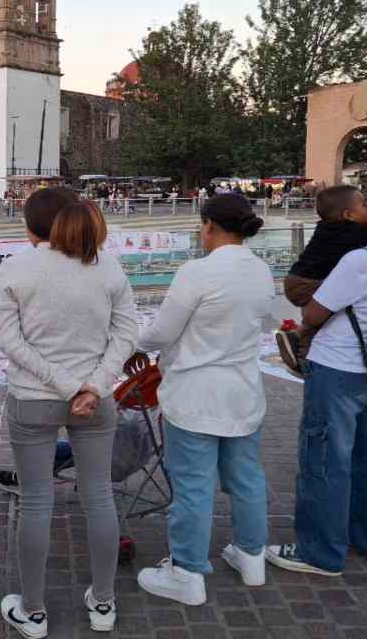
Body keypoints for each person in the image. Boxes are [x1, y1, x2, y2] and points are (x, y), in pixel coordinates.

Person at [266, 180, 367, 576]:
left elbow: (313, 313)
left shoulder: (362, 258)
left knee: (324, 460)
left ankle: (319, 552)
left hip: (337, 369)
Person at [0, 189, 137, 637]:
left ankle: (33, 610)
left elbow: (10, 342)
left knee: (37, 500)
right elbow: (127, 332)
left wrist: (67, 384)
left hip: (34, 396)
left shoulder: (16, 268)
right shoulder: (107, 267)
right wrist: (93, 384)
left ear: (35, 225)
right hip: (95, 399)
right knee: (99, 497)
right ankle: (103, 601)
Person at [134, 194, 273, 606]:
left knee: (194, 487)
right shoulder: (262, 270)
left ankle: (187, 572)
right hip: (244, 390)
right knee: (246, 477)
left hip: (196, 393)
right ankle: (252, 555)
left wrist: (131, 343)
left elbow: (161, 333)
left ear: (209, 224)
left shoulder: (198, 272)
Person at [275, 185, 367, 374]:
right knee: (327, 313)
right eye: (363, 204)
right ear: (349, 215)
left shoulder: (332, 229)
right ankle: (300, 349)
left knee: (324, 316)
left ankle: (297, 343)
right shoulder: (350, 232)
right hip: (306, 284)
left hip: (299, 279)